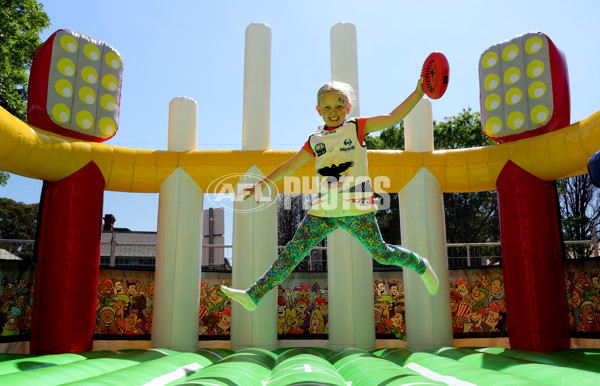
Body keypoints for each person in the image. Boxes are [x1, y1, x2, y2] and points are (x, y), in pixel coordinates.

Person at [221, 78, 439, 311]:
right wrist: (262, 183)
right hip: (324, 211)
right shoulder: (315, 140)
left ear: (348, 107)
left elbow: (393, 117)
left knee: (382, 254)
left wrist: (418, 93)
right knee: (292, 253)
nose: (333, 111)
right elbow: (290, 166)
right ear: (319, 110)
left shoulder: (357, 127)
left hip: (357, 209)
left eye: (339, 105)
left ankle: (420, 264)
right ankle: (253, 295)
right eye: (327, 107)